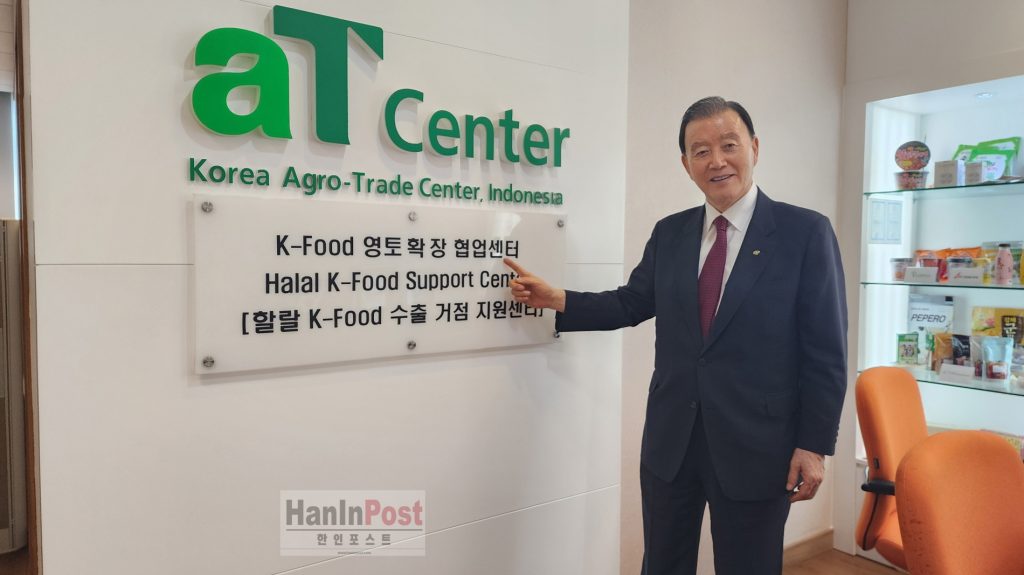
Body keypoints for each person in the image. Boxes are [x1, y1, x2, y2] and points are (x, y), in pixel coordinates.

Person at [504, 96, 847, 575]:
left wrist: (813, 445)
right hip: (672, 442)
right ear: (686, 164)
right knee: (663, 564)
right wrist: (558, 299)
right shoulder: (671, 233)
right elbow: (631, 303)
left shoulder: (804, 232)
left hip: (758, 446)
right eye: (700, 151)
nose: (716, 160)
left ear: (754, 147)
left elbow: (826, 351)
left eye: (729, 145)